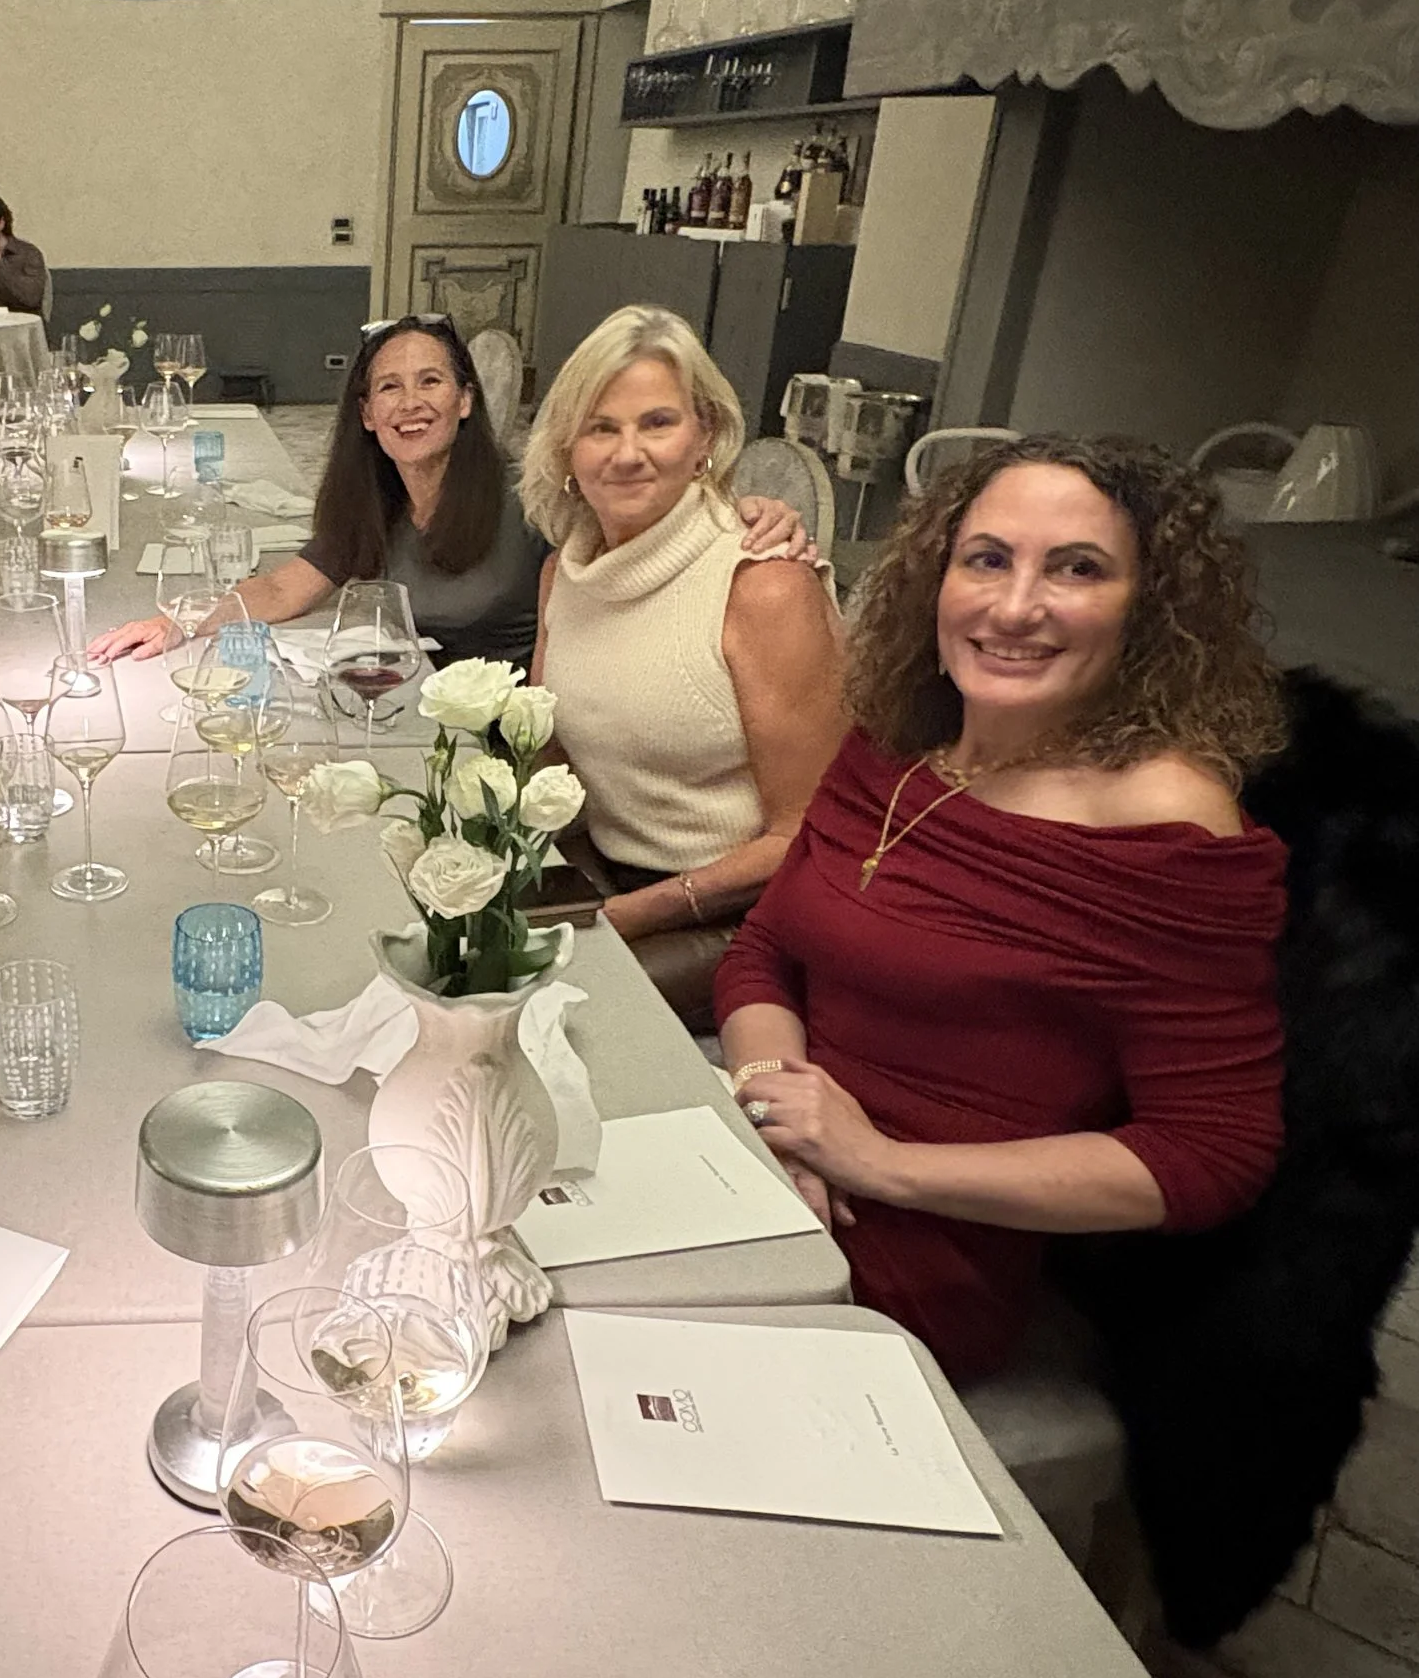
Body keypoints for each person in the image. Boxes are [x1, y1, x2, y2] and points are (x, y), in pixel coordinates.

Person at [715, 433, 1290, 1382]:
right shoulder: (894, 747)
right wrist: (777, 1105)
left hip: (908, 1265)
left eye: (1077, 568)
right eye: (987, 559)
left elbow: (1212, 1151)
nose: (1016, 606)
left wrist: (875, 1161)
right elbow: (765, 951)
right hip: (768, 1174)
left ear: (1147, 607)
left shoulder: (1166, 822)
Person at [90, 313, 810, 671]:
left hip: (504, 738)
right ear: (366, 414)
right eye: (389, 388)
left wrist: (739, 510)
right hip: (416, 709)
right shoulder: (375, 496)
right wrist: (181, 622)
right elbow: (284, 587)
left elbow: (641, 520)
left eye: (430, 381)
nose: (411, 404)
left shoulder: (532, 495)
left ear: (465, 400)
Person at [521, 305, 846, 1028]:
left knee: (538, 1004)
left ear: (705, 437)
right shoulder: (566, 572)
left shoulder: (762, 585)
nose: (627, 453)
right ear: (567, 449)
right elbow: (552, 753)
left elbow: (811, 831)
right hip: (608, 872)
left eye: (657, 423)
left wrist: (627, 914)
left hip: (745, 913)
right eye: (601, 427)